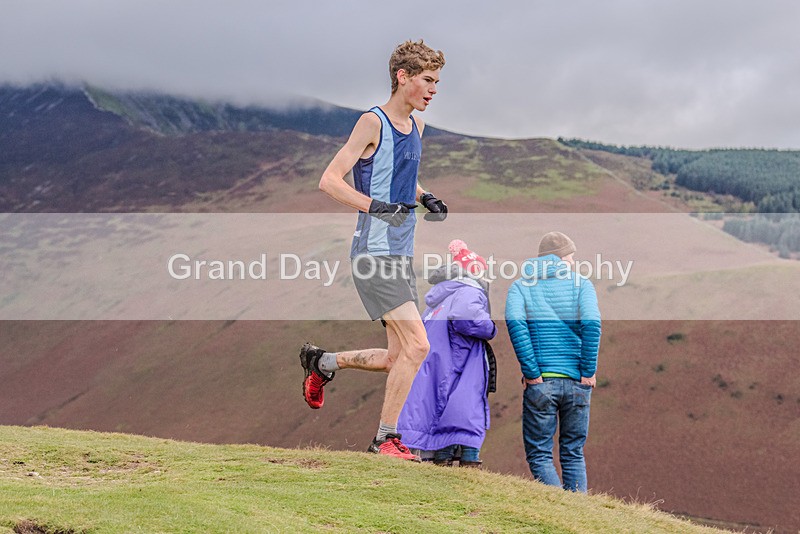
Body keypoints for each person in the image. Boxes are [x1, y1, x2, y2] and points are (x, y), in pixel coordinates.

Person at [299, 39, 448, 460]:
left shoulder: (417, 127)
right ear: (403, 77)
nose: (434, 90)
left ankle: (324, 362)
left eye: (437, 82)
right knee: (419, 346)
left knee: (397, 357)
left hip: (400, 255)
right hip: (372, 254)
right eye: (428, 80)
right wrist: (376, 207)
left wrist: (425, 196)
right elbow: (329, 180)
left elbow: (402, 176)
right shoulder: (372, 122)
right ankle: (385, 439)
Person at [505, 231, 601, 492]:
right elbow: (592, 324)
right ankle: (578, 515)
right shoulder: (582, 284)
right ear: (562, 257)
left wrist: (532, 372)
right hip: (577, 382)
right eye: (571, 256)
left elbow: (516, 325)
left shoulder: (520, 287)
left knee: (539, 454)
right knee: (573, 452)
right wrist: (587, 371)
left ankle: (560, 509)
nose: (573, 261)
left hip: (541, 384)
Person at [397, 240, 497, 468]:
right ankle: (467, 459)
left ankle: (437, 456)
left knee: (435, 407)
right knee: (464, 406)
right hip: (458, 360)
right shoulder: (470, 290)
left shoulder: (438, 299)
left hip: (436, 361)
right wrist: (490, 328)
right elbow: (465, 316)